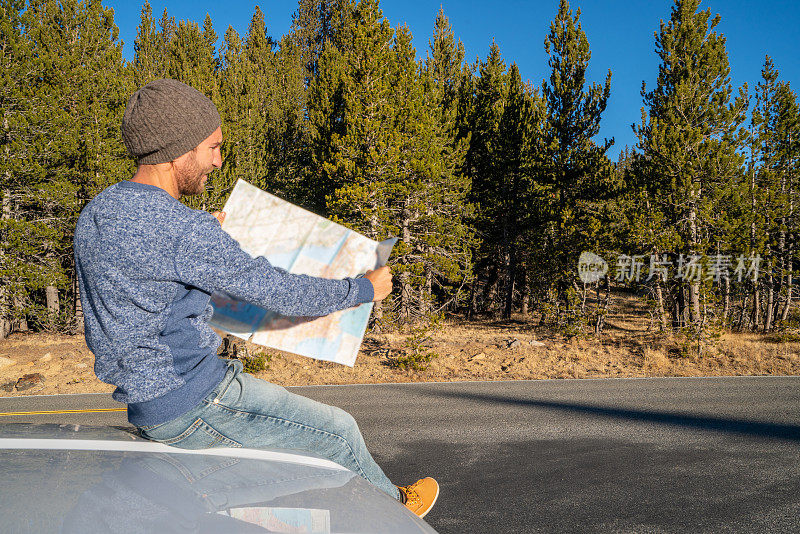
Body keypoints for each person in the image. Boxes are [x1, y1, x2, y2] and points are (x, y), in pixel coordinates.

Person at [73, 78, 438, 518]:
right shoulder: (183, 231)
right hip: (196, 400)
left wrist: (196, 240)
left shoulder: (100, 211)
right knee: (339, 434)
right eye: (211, 147)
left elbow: (141, 282)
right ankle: (398, 512)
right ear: (177, 151)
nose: (218, 161)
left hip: (146, 403)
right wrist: (363, 289)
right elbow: (280, 292)